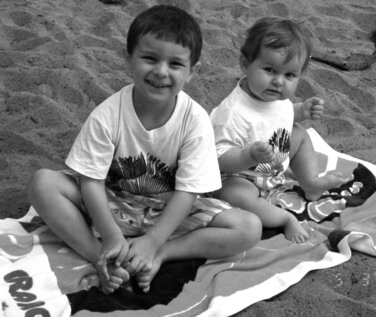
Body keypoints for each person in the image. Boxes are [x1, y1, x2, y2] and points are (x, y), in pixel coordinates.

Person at [27, 5, 262, 295]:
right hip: (112, 203)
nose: (161, 72)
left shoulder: (195, 119)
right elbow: (91, 179)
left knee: (249, 227)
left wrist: (154, 242)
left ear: (192, 71)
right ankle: (100, 255)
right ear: (129, 59)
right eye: (150, 58)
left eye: (175, 64)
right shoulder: (108, 114)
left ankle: (161, 255)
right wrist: (111, 236)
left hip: (170, 211)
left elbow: (189, 191)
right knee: (43, 183)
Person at [210, 16, 352, 244]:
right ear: (245, 64)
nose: (278, 81)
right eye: (269, 70)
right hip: (239, 175)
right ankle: (284, 219)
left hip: (271, 165)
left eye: (289, 75)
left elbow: (279, 116)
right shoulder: (232, 113)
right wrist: (248, 156)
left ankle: (310, 183)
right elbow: (218, 160)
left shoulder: (271, 95)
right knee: (234, 194)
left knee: (299, 134)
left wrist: (301, 111)